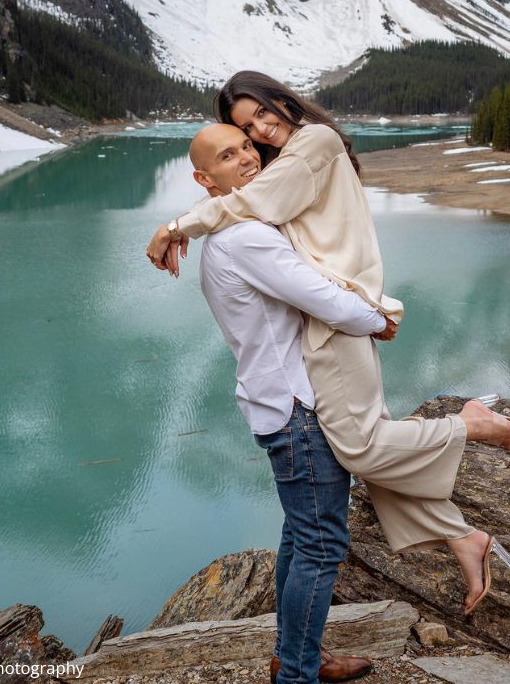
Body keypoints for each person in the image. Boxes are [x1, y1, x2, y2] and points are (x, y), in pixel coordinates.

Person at [146, 71, 510, 616]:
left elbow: (250, 206)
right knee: (362, 450)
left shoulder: (313, 143)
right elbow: (272, 219)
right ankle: (463, 540)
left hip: (338, 319)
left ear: (281, 99)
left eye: (260, 115)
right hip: (337, 317)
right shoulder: (289, 163)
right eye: (245, 129)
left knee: (360, 448)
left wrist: (177, 226)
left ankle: (471, 425)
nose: (260, 132)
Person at [187, 122, 379, 684]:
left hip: (279, 404)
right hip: (297, 410)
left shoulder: (237, 228)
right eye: (228, 155)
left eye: (247, 145)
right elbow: (324, 300)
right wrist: (379, 318)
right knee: (321, 546)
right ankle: (296, 673)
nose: (247, 157)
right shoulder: (244, 237)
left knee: (301, 536)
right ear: (205, 178)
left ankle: (294, 656)